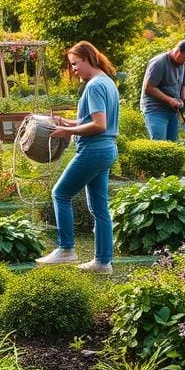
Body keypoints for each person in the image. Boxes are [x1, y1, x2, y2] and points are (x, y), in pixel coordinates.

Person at [36, 41, 120, 274]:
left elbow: (99, 125)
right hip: (106, 150)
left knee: (60, 194)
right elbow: (95, 121)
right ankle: (103, 263)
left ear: (88, 59)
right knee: (99, 207)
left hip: (94, 150)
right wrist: (70, 122)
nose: (73, 70)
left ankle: (66, 249)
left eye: (75, 64)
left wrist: (67, 131)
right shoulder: (107, 82)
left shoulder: (94, 86)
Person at [140, 40, 185, 141]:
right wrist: (169, 100)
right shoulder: (159, 62)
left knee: (172, 145)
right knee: (160, 144)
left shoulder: (184, 64)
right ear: (177, 51)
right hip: (155, 110)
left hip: (172, 110)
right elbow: (149, 87)